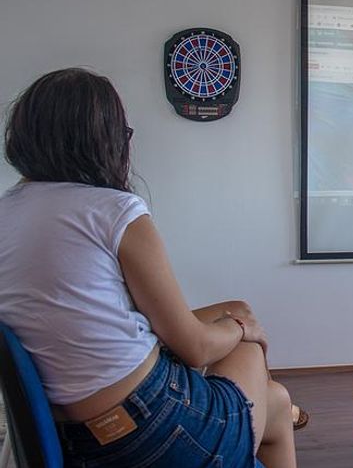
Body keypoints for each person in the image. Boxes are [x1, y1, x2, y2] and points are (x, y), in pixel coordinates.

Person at [0, 68, 297, 467]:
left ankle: (283, 409)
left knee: (274, 400)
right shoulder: (114, 211)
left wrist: (234, 316)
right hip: (149, 433)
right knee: (244, 344)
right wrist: (243, 328)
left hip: (69, 440)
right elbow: (193, 349)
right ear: (105, 140)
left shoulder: (8, 212)